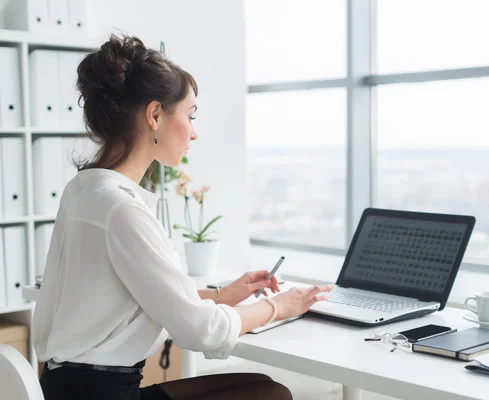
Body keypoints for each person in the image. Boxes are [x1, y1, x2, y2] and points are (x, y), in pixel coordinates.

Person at [31, 34, 332, 400]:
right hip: (102, 395)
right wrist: (279, 306)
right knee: (272, 397)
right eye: (189, 116)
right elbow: (201, 331)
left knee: (266, 387)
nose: (194, 131)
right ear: (155, 115)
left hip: (69, 388)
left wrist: (223, 294)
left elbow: (136, 292)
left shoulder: (84, 190)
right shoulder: (122, 209)